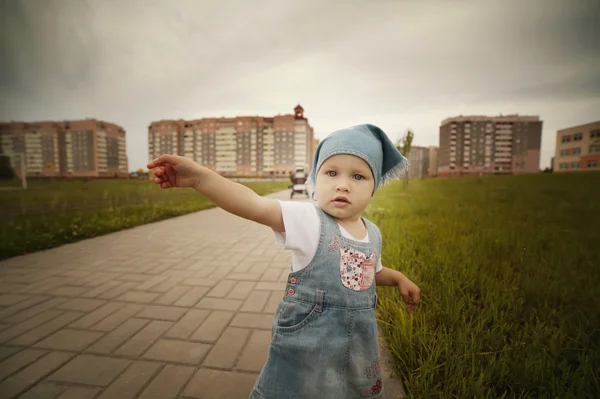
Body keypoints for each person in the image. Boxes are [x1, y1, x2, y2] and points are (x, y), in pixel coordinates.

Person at [147, 123, 421, 399]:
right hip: (309, 349)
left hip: (359, 351)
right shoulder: (310, 221)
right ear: (316, 179)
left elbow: (369, 272)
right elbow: (253, 204)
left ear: (374, 187)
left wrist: (397, 278)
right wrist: (199, 178)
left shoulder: (372, 232)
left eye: (359, 176)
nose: (342, 184)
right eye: (331, 172)